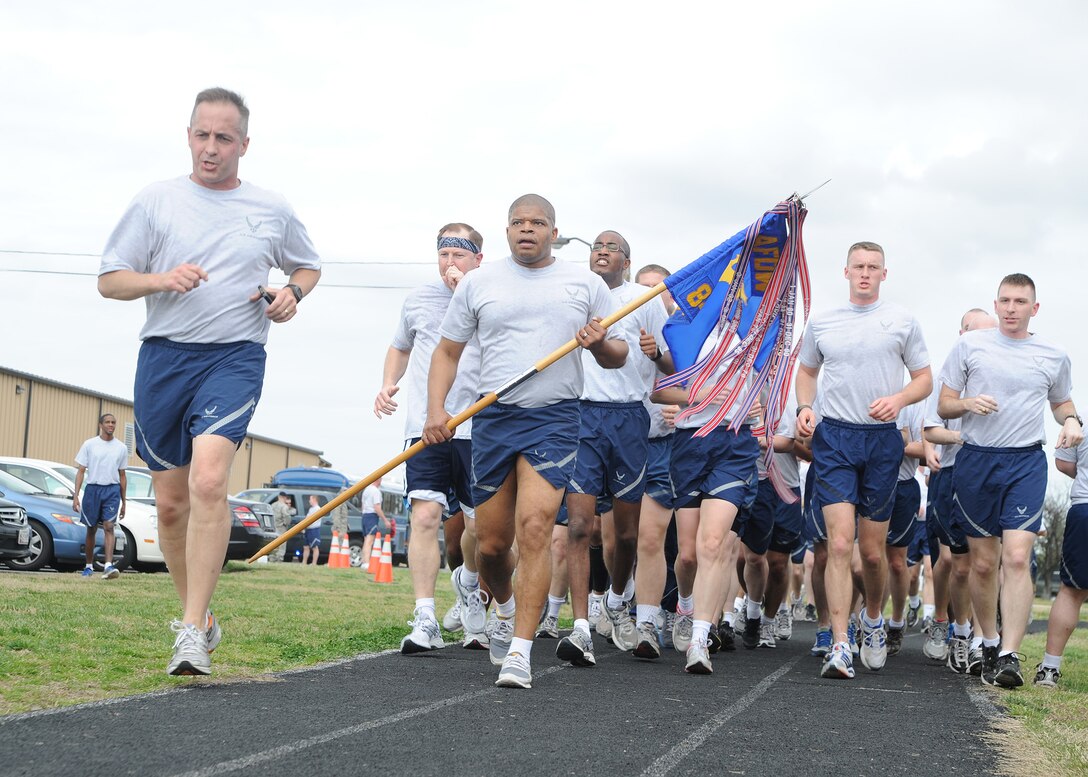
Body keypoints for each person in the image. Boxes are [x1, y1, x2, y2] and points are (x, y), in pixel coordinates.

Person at [97, 87, 321, 676]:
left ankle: (191, 632)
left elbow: (307, 264)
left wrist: (290, 293)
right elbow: (109, 281)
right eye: (202, 135)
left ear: (244, 144)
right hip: (165, 359)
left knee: (209, 480)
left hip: (235, 357)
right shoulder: (156, 201)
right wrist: (160, 279)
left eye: (224, 138)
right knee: (170, 505)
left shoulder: (270, 208)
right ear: (188, 135)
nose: (211, 148)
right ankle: (199, 614)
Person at [423, 194, 627, 689]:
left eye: (537, 223)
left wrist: (598, 341)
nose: (527, 230)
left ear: (554, 233)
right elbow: (447, 352)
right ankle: (505, 605)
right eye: (518, 223)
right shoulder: (479, 282)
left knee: (535, 528)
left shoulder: (584, 283)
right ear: (507, 231)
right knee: (492, 546)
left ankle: (520, 649)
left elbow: (617, 355)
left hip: (555, 419)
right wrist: (437, 410)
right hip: (492, 417)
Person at [938, 273, 1082, 687]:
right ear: (996, 304)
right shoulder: (969, 346)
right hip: (977, 461)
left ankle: (1009, 655)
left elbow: (1061, 402)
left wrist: (1071, 419)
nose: (1011, 308)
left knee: (1017, 557)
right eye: (1005, 300)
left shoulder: (1052, 354)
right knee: (983, 563)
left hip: (1025, 462)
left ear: (1034, 309)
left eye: (1020, 301)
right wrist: (967, 403)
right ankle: (988, 638)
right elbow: (945, 405)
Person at [796, 241, 932, 679]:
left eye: (874, 267)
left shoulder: (902, 320)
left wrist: (898, 399)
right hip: (834, 437)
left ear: (884, 274)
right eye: (859, 266)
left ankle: (872, 619)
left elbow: (924, 379)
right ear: (846, 271)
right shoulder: (823, 321)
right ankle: (840, 642)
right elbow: (807, 371)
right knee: (837, 545)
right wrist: (804, 407)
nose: (866, 273)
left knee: (872, 555)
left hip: (880, 442)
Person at [374, 223, 488, 652]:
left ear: (478, 259)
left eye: (459, 255)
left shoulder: (489, 295)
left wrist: (468, 292)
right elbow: (400, 346)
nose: (450, 263)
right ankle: (425, 618)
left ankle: (469, 581)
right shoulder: (419, 299)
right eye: (444, 254)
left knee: (479, 528)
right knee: (424, 517)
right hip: (425, 426)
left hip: (478, 427)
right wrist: (388, 382)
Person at [557, 231, 667, 667]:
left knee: (624, 534)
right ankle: (581, 627)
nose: (601, 251)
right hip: (582, 416)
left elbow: (672, 365)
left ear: (626, 259)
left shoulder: (646, 298)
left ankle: (618, 599)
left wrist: (656, 353)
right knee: (580, 527)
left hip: (629, 418)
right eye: (596, 247)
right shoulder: (574, 294)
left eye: (611, 247)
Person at [922, 308, 996, 671]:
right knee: (955, 563)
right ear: (962, 334)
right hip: (951, 475)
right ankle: (953, 626)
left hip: (990, 476)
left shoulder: (1002, 372)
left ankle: (984, 641)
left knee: (986, 562)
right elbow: (929, 430)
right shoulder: (945, 378)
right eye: (977, 333)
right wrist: (959, 438)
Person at [1035, 434, 1088, 687]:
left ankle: (1049, 668)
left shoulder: (1080, 421)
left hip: (1085, 505)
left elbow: (1063, 463)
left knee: (1071, 591)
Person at [73, 413, 129, 579]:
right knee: (91, 529)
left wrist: (124, 502)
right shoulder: (89, 445)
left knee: (109, 526)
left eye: (113, 422)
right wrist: (76, 496)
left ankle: (108, 566)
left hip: (112, 491)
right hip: (92, 490)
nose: (111, 425)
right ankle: (89, 566)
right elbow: (81, 471)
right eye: (108, 422)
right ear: (100, 425)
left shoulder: (121, 448)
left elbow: (123, 475)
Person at [360, 477, 388, 571]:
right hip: (372, 516)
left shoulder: (366, 490)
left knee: (366, 540)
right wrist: (385, 520)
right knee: (370, 540)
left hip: (364, 515)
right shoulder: (376, 491)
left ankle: (364, 562)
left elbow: (363, 505)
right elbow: (377, 506)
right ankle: (367, 563)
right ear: (378, 480)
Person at [270, 491, 294, 562]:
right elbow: (287, 516)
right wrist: (286, 524)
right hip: (281, 528)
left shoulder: (273, 505)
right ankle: (279, 559)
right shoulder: (284, 506)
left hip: (273, 527)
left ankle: (272, 558)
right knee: (281, 544)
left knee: (273, 544)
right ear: (284, 498)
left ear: (278, 497)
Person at [302, 494, 322, 566]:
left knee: (315, 547)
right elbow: (307, 519)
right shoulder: (311, 509)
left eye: (310, 499)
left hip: (314, 530)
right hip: (308, 530)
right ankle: (304, 562)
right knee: (306, 547)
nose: (309, 501)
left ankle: (314, 563)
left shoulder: (318, 509)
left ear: (314, 499)